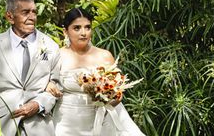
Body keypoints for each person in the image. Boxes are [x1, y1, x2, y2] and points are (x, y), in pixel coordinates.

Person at [49, 8, 145, 136]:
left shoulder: (104, 56)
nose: (83, 33)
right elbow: (46, 84)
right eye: (77, 28)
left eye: (87, 27)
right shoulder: (58, 56)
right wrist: (49, 85)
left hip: (102, 118)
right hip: (67, 122)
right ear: (65, 31)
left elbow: (118, 93)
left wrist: (105, 100)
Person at [0, 0, 61, 136]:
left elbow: (56, 86)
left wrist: (38, 105)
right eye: (25, 12)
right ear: (10, 17)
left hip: (39, 126)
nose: (32, 17)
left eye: (34, 12)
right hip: (2, 126)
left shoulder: (51, 46)